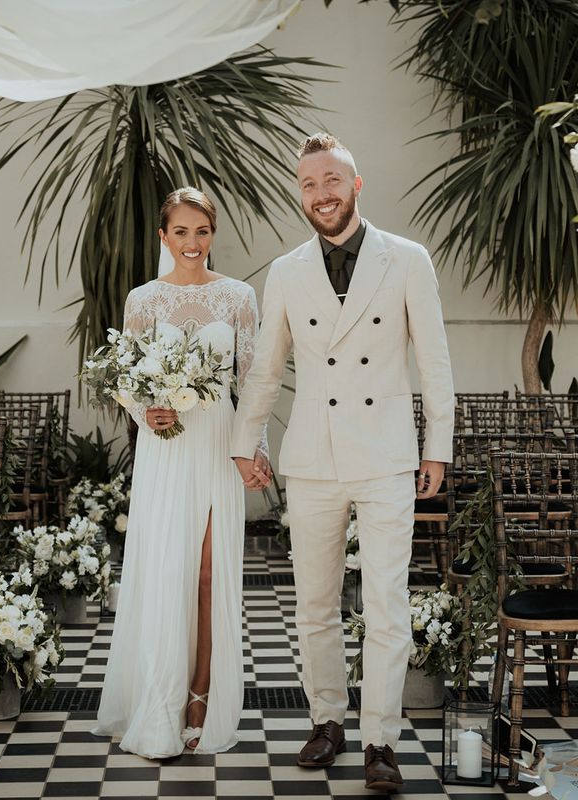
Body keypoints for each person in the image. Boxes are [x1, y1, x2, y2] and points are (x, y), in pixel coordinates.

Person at [231, 133, 455, 791]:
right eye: (308, 184)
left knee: (386, 603)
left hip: (387, 457)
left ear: (355, 185)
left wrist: (437, 447)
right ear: (300, 193)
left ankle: (381, 740)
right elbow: (267, 369)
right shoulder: (288, 270)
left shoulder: (407, 259)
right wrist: (248, 444)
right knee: (315, 602)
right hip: (312, 458)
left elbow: (434, 362)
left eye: (332, 181)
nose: (321, 194)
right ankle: (327, 721)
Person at [93, 187, 268, 757]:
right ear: (164, 237)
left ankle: (201, 694)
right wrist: (147, 409)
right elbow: (126, 378)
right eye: (181, 232)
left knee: (211, 576)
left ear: (212, 235)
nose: (193, 243)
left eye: (202, 231)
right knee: (169, 573)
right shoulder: (143, 300)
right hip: (167, 448)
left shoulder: (239, 297)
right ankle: (160, 700)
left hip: (218, 444)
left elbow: (253, 383)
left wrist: (255, 450)